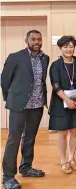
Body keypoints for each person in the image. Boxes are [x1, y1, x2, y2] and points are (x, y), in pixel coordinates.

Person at [1, 30, 49, 189]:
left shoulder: (45, 58)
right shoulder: (16, 57)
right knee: (13, 140)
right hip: (19, 106)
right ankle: (8, 177)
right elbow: (5, 80)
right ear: (26, 40)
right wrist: (12, 98)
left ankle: (26, 167)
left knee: (30, 138)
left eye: (39, 39)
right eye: (33, 39)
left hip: (37, 105)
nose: (36, 42)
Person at [48, 36, 76, 174]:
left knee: (74, 131)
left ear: (74, 47)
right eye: (65, 47)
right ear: (60, 48)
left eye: (71, 46)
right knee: (63, 132)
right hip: (60, 101)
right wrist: (67, 100)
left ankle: (71, 158)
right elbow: (55, 86)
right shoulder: (55, 65)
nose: (69, 49)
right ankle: (63, 160)